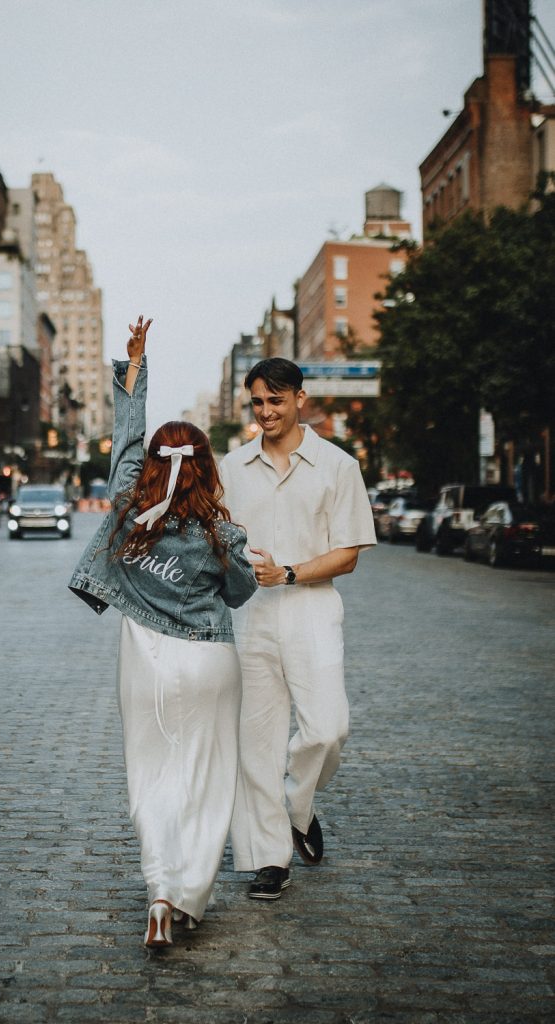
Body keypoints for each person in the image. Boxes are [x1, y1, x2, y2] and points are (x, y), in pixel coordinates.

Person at [68, 316, 258, 946]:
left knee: (150, 775)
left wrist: (135, 368)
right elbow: (239, 591)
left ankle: (158, 889)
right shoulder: (220, 533)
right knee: (205, 779)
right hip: (209, 661)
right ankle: (189, 894)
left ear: (154, 465)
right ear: (205, 468)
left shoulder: (128, 507)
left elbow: (126, 441)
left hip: (145, 661)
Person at [219, 357, 376, 900]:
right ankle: (269, 860)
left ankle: (299, 807)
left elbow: (350, 554)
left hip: (311, 608)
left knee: (327, 728)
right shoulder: (231, 467)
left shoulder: (338, 466)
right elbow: (214, 538)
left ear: (300, 399)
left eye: (276, 401)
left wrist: (287, 572)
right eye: (257, 402)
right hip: (251, 615)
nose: (265, 411)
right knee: (257, 741)